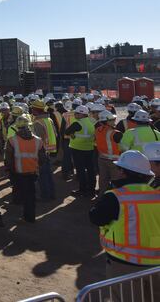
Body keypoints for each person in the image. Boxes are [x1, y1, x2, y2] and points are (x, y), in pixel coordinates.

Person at [90, 150, 160, 299]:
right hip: (157, 264)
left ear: (122, 172)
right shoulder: (156, 194)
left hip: (125, 264)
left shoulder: (116, 196)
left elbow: (96, 217)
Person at [6, 115, 45, 223]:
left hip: (18, 173)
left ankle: (25, 216)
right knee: (31, 196)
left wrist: (9, 171)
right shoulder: (38, 141)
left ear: (17, 128)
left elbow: (8, 160)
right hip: (32, 172)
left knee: (22, 196)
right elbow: (43, 159)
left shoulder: (12, 140)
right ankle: (30, 217)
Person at [64, 105, 97, 198]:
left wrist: (72, 134)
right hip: (89, 148)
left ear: (82, 114)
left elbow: (66, 132)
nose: (75, 115)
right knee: (91, 170)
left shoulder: (77, 123)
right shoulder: (92, 121)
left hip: (78, 149)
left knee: (81, 171)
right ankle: (91, 190)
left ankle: (82, 190)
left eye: (77, 113)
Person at [95, 110, 122, 195]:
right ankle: (116, 201)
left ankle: (101, 199)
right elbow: (124, 147)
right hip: (114, 161)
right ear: (106, 122)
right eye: (112, 120)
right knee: (116, 182)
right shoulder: (115, 133)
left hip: (102, 159)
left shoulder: (97, 130)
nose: (114, 121)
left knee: (103, 181)